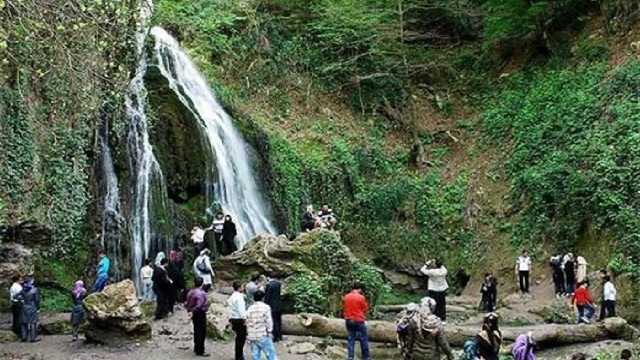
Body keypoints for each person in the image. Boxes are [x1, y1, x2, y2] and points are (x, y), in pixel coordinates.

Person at [246, 290, 278, 360]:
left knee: (256, 355)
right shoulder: (266, 307)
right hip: (262, 334)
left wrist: (248, 333)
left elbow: (247, 321)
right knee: (271, 354)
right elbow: (269, 321)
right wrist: (270, 331)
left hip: (252, 335)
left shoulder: (250, 308)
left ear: (254, 298)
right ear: (263, 298)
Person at [343, 282, 370, 360]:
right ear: (360, 289)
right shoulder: (361, 297)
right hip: (359, 320)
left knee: (351, 338)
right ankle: (366, 357)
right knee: (363, 339)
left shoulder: (346, 296)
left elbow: (344, 308)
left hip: (349, 320)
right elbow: (365, 309)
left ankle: (350, 357)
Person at [186, 277, 210, 357]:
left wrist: (189, 310)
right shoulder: (201, 293)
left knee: (196, 330)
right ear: (202, 283)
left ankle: (196, 348)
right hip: (200, 313)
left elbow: (187, 302)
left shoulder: (190, 292)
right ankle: (200, 350)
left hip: (194, 313)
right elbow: (199, 305)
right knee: (201, 332)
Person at [227, 281, 247, 360]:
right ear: (239, 288)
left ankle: (238, 355)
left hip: (233, 318)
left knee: (238, 337)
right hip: (239, 319)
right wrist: (245, 319)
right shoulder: (239, 297)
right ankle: (239, 356)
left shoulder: (232, 296)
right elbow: (241, 310)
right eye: (242, 286)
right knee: (241, 338)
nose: (243, 288)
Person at [20, 277, 40, 342]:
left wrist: (22, 300)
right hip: (32, 307)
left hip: (24, 306)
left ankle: (24, 337)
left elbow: (15, 296)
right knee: (33, 322)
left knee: (24, 322)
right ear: (30, 282)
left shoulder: (23, 289)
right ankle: (33, 338)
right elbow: (37, 300)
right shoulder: (35, 290)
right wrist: (38, 308)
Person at [264, 277, 283, 342]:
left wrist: (265, 304)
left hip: (272, 306)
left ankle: (275, 337)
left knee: (274, 321)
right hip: (279, 305)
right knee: (279, 321)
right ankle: (280, 336)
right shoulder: (278, 284)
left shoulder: (269, 285)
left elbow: (267, 296)